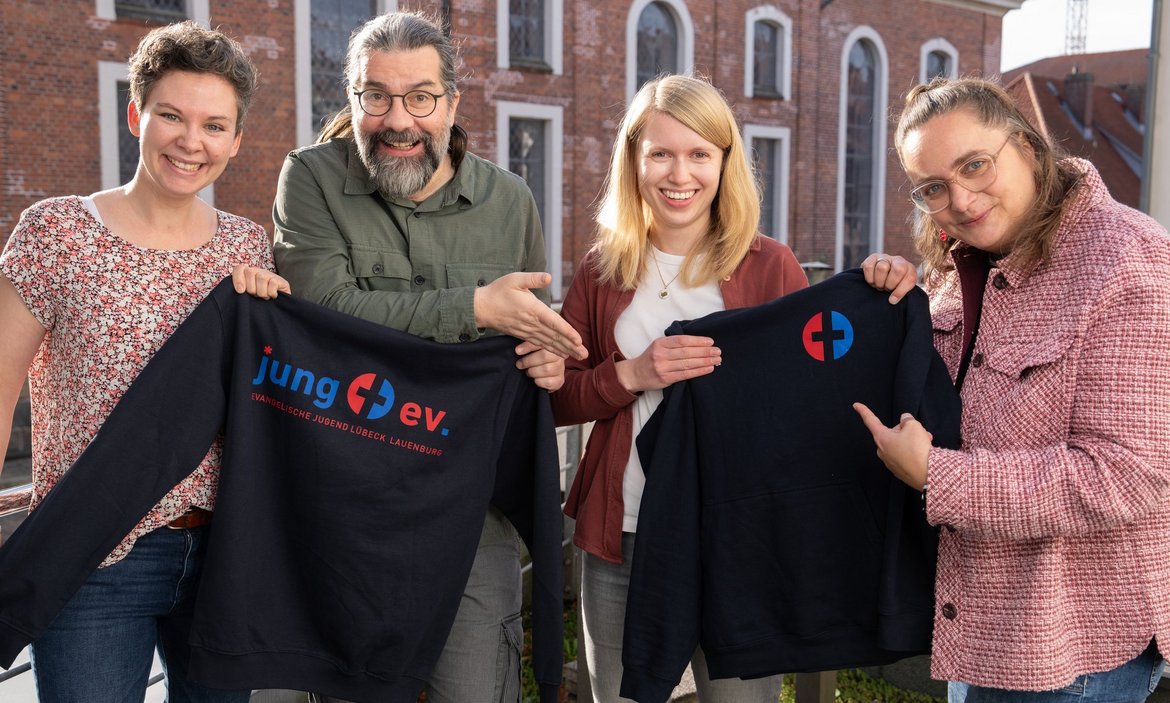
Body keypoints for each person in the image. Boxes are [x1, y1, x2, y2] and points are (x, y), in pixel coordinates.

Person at [271, 10, 584, 703]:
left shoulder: (510, 201)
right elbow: (323, 315)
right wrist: (474, 309)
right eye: (376, 96)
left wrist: (545, 363)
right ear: (352, 98)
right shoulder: (310, 179)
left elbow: (530, 339)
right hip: (342, 512)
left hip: (472, 514)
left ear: (451, 102)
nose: (397, 120)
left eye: (419, 97)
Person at [854, 76, 1170, 702]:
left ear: (1026, 146)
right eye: (933, 188)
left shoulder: (1128, 261)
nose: (961, 199)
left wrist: (938, 476)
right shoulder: (960, 265)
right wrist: (891, 306)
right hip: (976, 621)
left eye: (974, 165)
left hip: (1069, 646)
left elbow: (1126, 475)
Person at [0, 20, 288, 701]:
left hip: (226, 557)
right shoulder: (57, 232)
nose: (192, 141)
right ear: (137, 116)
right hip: (92, 556)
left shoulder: (248, 248)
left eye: (214, 125)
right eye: (172, 116)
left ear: (236, 140)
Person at [550, 74, 807, 702]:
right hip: (623, 533)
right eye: (661, 153)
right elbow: (558, 397)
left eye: (699, 154)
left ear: (724, 161)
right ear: (634, 161)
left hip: (736, 538)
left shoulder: (770, 265)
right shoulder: (602, 269)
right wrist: (631, 375)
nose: (680, 174)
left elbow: (811, 397)